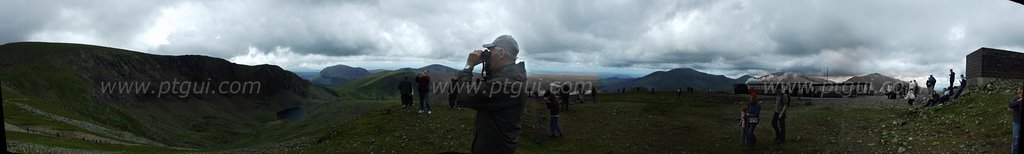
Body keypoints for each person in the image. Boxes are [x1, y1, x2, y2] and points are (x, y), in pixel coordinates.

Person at [455, 35, 527, 153]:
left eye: (490, 51)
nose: (488, 55)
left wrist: (469, 65)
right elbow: (491, 84)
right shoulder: (513, 77)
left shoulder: (507, 84)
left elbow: (464, 95)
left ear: (501, 53)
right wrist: (489, 64)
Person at [1009, 83, 1023, 154]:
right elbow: (1011, 105)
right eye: (1019, 92)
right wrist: (1019, 101)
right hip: (1017, 122)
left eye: (1021, 92)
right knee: (1015, 140)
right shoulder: (1015, 98)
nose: (1020, 93)